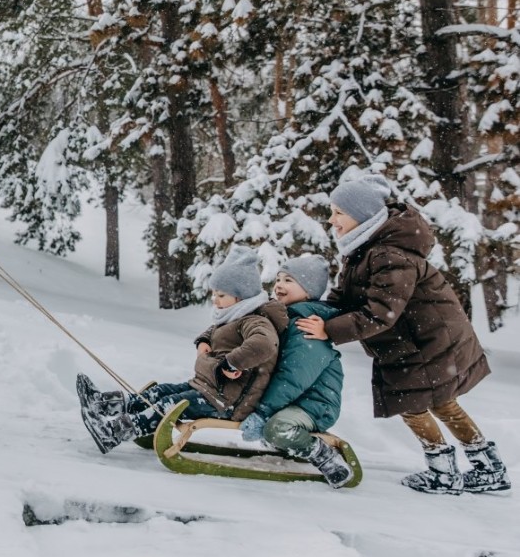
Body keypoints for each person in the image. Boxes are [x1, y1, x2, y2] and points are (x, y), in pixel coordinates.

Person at [296, 175, 508, 494]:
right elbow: (345, 299)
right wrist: (315, 312)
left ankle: (443, 472)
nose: (332, 219)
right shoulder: (364, 250)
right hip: (420, 341)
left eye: (338, 212)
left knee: (414, 405)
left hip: (424, 343)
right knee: (442, 403)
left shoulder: (387, 255)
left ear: (363, 216)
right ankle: (488, 467)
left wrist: (329, 329)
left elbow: (382, 312)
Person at [77, 246, 287, 454]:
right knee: (159, 392)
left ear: (240, 298)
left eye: (221, 295)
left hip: (226, 401)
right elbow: (216, 331)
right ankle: (102, 405)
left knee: (168, 404)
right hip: (206, 388)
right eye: (214, 294)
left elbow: (264, 344)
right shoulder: (234, 316)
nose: (215, 300)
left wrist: (231, 362)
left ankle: (113, 433)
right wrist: (203, 340)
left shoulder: (256, 321)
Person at [237, 256, 352, 488]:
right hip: (292, 399)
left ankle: (324, 456)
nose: (279, 284)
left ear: (309, 292)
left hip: (315, 405)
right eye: (278, 279)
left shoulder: (305, 326)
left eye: (289, 280)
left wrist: (264, 411)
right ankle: (283, 437)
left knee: (277, 429)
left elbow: (293, 377)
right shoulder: (284, 319)